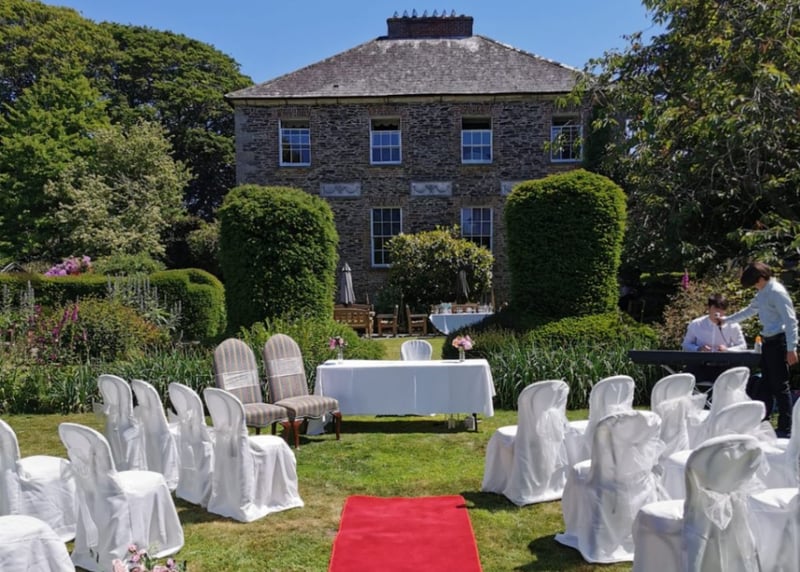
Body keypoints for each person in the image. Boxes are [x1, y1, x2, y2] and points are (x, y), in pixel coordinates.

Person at [723, 262, 798, 437]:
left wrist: (791, 347)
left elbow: (790, 320)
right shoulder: (763, 292)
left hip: (779, 342)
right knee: (765, 383)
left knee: (780, 385)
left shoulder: (777, 292)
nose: (754, 287)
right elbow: (750, 310)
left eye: (754, 283)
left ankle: (785, 428)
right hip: (768, 342)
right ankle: (762, 421)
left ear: (761, 278)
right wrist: (727, 320)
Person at [682, 293, 747, 385]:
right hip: (700, 365)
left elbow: (742, 346)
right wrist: (698, 349)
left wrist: (727, 350)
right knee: (685, 379)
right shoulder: (696, 324)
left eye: (722, 309)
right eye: (716, 308)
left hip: (725, 366)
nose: (719, 312)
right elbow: (686, 345)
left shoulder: (733, 325)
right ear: (709, 308)